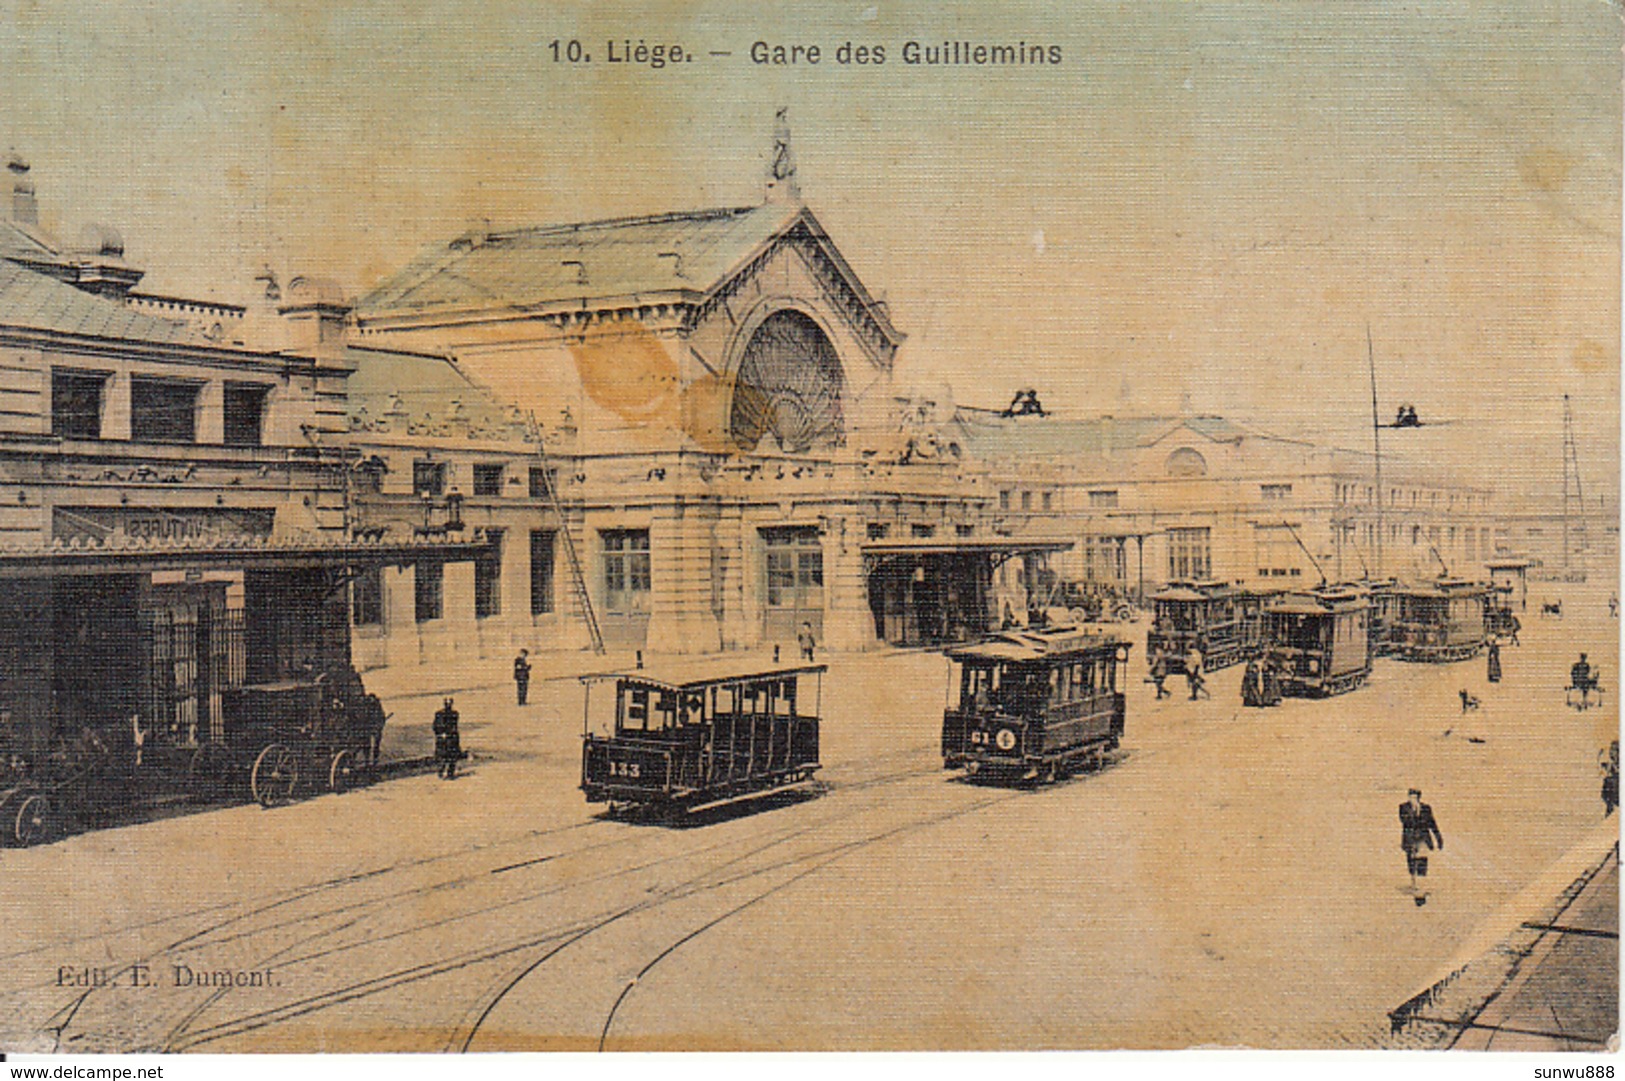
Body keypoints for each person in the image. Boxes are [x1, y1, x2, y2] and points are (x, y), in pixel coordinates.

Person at [1399, 788, 1444, 903]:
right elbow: (1405, 821)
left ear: (1419, 797)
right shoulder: (1404, 807)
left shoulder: (1426, 808)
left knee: (1423, 861)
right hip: (1410, 840)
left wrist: (1438, 838)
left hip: (1423, 839)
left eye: (1414, 797)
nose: (1412, 799)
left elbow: (1432, 823)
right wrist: (1414, 811)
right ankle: (1414, 882)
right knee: (1411, 862)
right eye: (1410, 796)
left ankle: (1421, 885)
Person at [433, 697, 462, 780]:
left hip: (452, 737)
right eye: (447, 704)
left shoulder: (455, 714)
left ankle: (450, 773)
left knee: (453, 756)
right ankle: (441, 771)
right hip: (443, 737)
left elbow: (454, 726)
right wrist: (441, 733)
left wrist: (454, 735)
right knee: (443, 755)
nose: (448, 705)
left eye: (450, 704)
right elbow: (435, 726)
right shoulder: (439, 714)